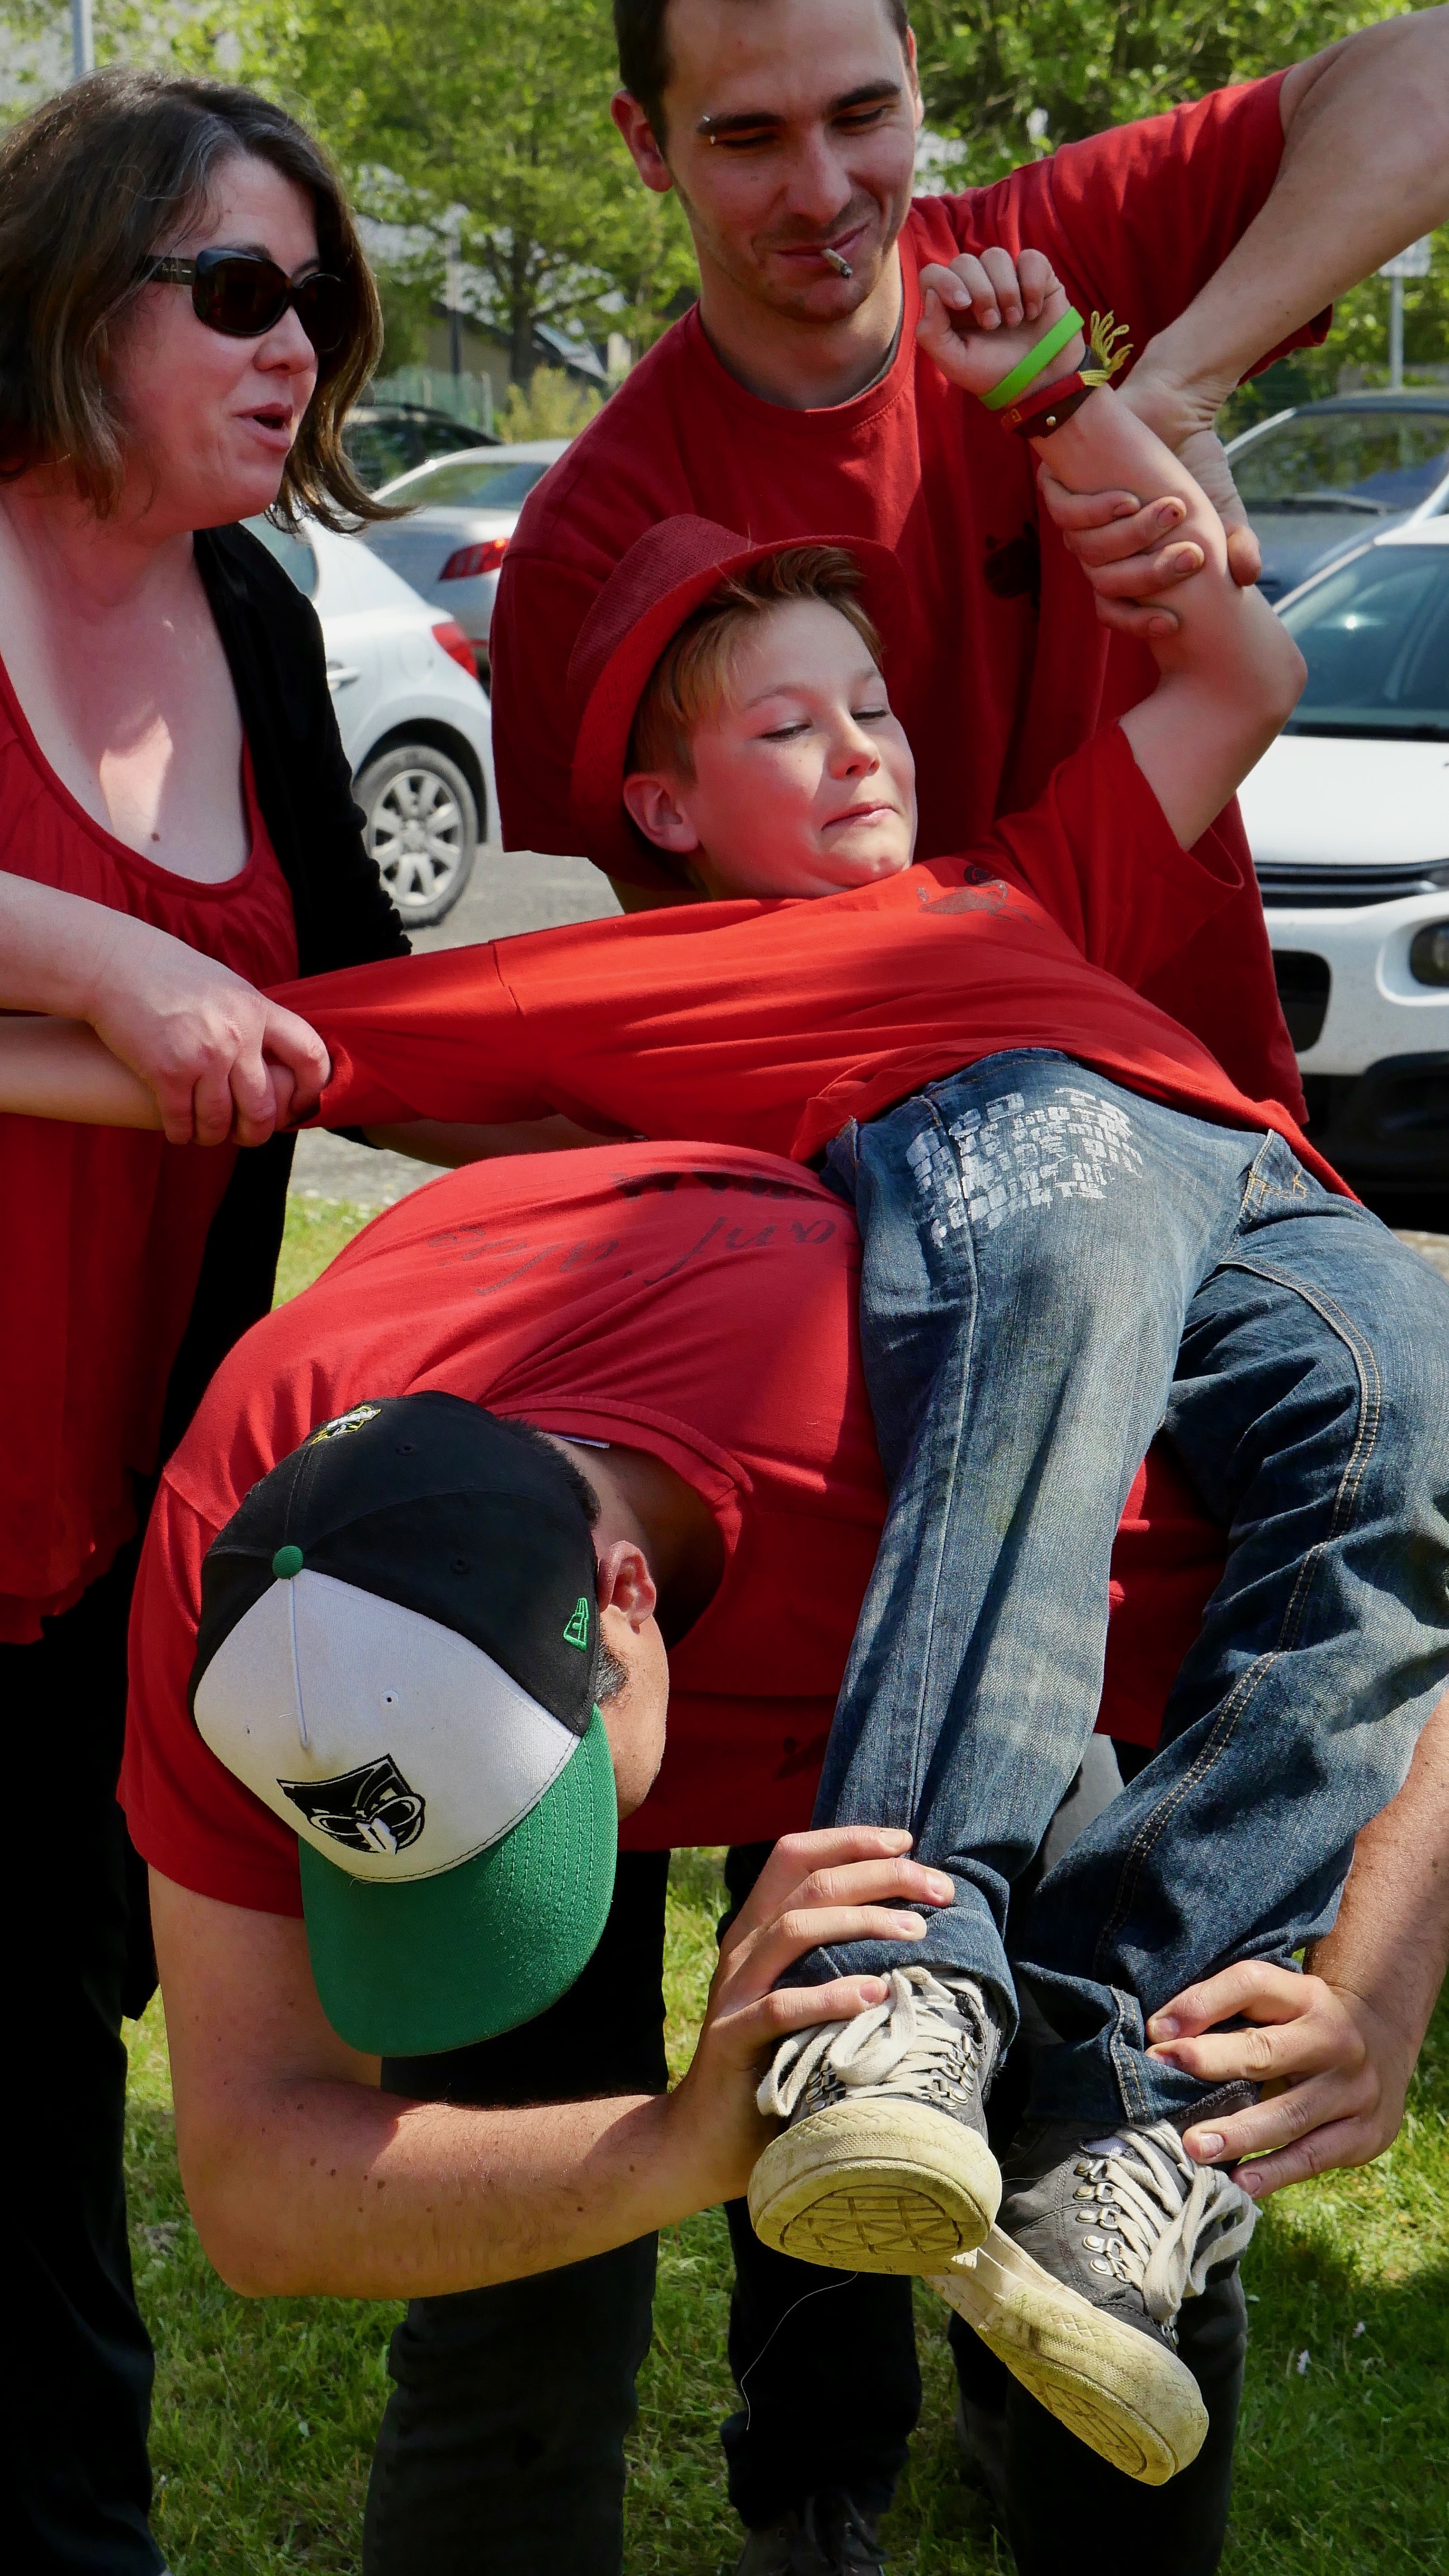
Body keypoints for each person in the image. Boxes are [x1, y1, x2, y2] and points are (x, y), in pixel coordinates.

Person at [143, 269, 1449, 2482]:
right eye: (787, 727)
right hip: (1019, 1181)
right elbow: (271, 1049)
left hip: (1249, 1190)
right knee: (1041, 1253)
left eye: (876, 706)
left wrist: (1057, 394)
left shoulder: (1024, 881)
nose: (860, 748)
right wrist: (81, 998)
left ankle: (1127, 2086)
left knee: (1407, 1428)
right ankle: (922, 1985)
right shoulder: (670, 982)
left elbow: (1244, 669)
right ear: (661, 805)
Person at [113, 1138, 1448, 2576]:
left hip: (875, 1543)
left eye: (512, 1825)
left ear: (626, 1597)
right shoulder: (250, 1590)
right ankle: (808, 2486)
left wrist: (1375, 1985)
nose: (474, 1890)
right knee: (523, 2285)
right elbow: (258, 2189)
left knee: (1134, 2128)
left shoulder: (989, 1484)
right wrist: (669, 2147)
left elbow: (1403, 1542)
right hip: (674, 1498)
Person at [491, 0, 1448, 1079]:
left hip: (1195, 1108)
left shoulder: (1053, 265)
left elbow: (1432, 65)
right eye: (748, 138)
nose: (822, 193)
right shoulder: (593, 547)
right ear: (645, 140)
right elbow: (709, 992)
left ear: (913, 76)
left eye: (862, 115)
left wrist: (1175, 387)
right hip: (862, 1143)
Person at [0, 68, 409, 2575]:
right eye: (241, 291)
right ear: (77, 295)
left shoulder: (255, 610)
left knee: (45, 2092)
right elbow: (161, 1011)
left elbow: (358, 1014)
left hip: (94, 1531)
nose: (299, 351)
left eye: (322, 306)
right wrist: (97, 957)